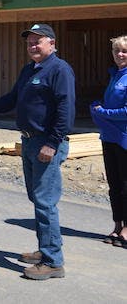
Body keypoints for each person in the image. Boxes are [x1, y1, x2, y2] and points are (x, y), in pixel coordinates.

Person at [0, 23, 75, 280]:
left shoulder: (59, 70)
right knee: (37, 199)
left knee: (45, 202)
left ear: (52, 44)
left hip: (46, 143)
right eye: (29, 42)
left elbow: (66, 111)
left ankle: (53, 262)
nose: (32, 46)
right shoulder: (30, 70)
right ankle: (46, 248)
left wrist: (52, 143)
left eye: (38, 41)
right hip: (29, 142)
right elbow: (11, 100)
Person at [90, 35, 127, 248]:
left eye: (124, 51)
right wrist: (98, 108)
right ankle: (116, 224)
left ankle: (126, 229)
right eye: (116, 51)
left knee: (125, 184)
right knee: (113, 184)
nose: (120, 55)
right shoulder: (115, 75)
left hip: (124, 138)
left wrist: (104, 112)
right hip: (109, 136)